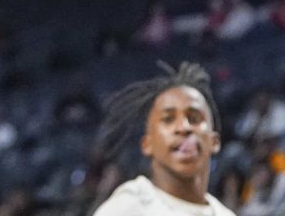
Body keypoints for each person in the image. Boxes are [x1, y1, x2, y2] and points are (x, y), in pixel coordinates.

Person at [92, 62, 236, 216]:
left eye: (194, 118)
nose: (183, 128)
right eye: (168, 119)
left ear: (214, 142)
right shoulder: (130, 205)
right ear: (147, 144)